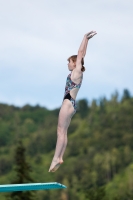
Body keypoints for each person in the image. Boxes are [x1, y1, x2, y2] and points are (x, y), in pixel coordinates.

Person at [49, 31, 97, 172]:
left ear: (75, 63)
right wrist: (88, 41)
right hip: (72, 104)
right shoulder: (78, 72)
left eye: (69, 61)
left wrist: (84, 38)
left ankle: (56, 158)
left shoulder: (76, 72)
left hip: (68, 102)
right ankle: (59, 157)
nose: (67, 64)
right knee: (63, 131)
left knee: (60, 131)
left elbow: (81, 52)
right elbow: (83, 54)